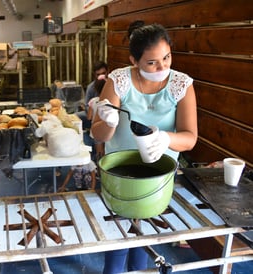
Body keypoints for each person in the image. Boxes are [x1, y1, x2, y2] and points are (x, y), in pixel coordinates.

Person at [91, 22, 197, 273]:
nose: (163, 67)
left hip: (157, 177)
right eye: (152, 62)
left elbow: (190, 137)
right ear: (134, 60)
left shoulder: (181, 84)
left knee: (145, 244)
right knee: (117, 242)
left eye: (167, 57)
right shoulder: (119, 80)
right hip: (119, 173)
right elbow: (97, 133)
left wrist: (166, 139)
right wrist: (109, 122)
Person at [87, 75, 106, 162]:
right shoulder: (110, 101)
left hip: (96, 131)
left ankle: (99, 171)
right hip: (107, 130)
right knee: (107, 152)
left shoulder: (93, 101)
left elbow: (89, 117)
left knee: (99, 153)